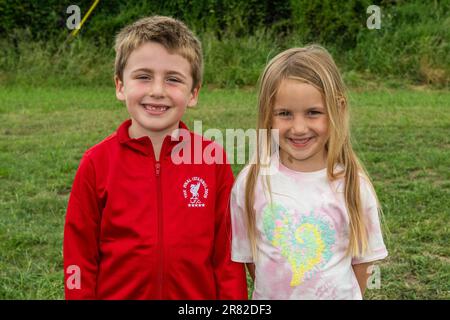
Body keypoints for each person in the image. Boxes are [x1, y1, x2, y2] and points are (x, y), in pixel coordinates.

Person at [63, 15, 247, 299]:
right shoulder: (96, 163)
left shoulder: (212, 160)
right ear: (120, 86)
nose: (157, 91)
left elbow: (227, 256)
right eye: (143, 76)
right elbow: (79, 254)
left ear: (193, 93)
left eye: (173, 79)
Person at [230, 45, 388, 299]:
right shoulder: (251, 183)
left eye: (313, 113)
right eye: (284, 114)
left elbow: (363, 261)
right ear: (268, 116)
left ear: (337, 109)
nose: (299, 128)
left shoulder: (352, 184)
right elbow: (249, 257)